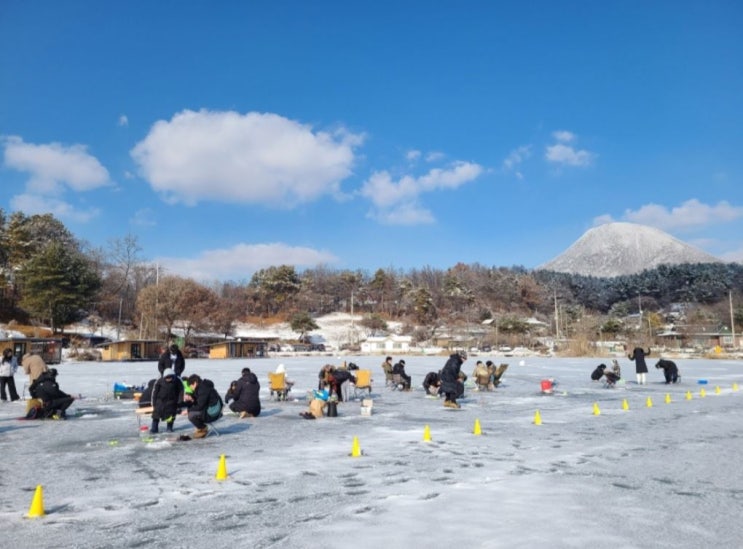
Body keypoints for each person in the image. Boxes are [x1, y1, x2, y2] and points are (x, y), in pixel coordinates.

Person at [184, 374, 223, 439]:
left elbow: (200, 406)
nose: (191, 388)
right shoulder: (202, 387)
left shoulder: (203, 389)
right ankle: (201, 428)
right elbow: (201, 400)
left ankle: (203, 429)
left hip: (213, 412)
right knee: (193, 411)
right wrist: (192, 398)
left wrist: (188, 410)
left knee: (191, 415)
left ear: (195, 383)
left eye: (190, 386)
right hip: (212, 408)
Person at [150, 369, 183, 433]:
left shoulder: (177, 381)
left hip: (172, 402)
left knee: (170, 416)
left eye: (169, 377)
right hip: (160, 402)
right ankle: (154, 429)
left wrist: (179, 402)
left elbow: (181, 392)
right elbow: (154, 392)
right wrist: (153, 403)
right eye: (167, 378)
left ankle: (169, 428)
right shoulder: (159, 381)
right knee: (156, 416)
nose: (168, 379)